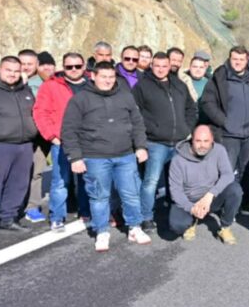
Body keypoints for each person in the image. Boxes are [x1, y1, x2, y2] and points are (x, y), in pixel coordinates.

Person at [61, 61, 150, 252]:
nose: (108, 81)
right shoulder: (81, 99)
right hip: (95, 157)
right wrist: (75, 157)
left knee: (131, 194)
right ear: (93, 76)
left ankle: (135, 227)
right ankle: (101, 231)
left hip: (125, 155)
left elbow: (137, 123)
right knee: (99, 197)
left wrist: (141, 146)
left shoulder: (125, 96)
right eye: (103, 77)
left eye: (111, 77)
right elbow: (69, 130)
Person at [199, 46, 249, 218]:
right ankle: (220, 204)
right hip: (228, 134)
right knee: (226, 170)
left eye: (241, 59)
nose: (238, 62)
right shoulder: (220, 76)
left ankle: (246, 203)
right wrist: (223, 121)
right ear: (229, 59)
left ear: (247, 60)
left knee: (247, 169)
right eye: (234, 59)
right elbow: (207, 101)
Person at [132, 52, 198, 232]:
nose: (161, 69)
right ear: (152, 66)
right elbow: (134, 114)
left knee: (179, 180)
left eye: (164, 66)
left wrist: (187, 128)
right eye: (157, 66)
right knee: (151, 181)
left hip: (179, 142)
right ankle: (146, 217)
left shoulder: (179, 85)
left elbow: (191, 108)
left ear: (170, 67)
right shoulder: (142, 86)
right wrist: (149, 130)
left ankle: (178, 212)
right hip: (156, 142)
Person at [0, 56, 39, 245]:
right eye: (8, 70)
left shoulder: (25, 91)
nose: (12, 74)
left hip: (23, 145)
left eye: (16, 71)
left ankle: (8, 219)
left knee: (18, 184)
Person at [33, 52, 91, 231]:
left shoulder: (92, 83)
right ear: (63, 67)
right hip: (63, 141)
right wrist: (52, 136)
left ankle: (86, 212)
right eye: (69, 66)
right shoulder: (51, 85)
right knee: (60, 181)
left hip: (89, 141)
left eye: (77, 66)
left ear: (84, 66)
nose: (73, 69)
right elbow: (40, 112)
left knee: (87, 179)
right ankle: (57, 217)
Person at [167, 125, 242, 245]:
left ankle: (225, 227)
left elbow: (228, 175)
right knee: (177, 226)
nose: (202, 145)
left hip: (211, 198)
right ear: (192, 140)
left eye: (206, 141)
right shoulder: (178, 160)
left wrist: (210, 195)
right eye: (198, 141)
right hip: (189, 199)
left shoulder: (219, 150)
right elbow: (175, 191)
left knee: (235, 190)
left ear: (212, 140)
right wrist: (192, 208)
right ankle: (192, 221)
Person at [18, 48, 49, 223]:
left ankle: (32, 206)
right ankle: (13, 206)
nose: (26, 67)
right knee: (15, 173)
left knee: (36, 171)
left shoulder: (44, 84)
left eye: (30, 64)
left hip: (38, 136)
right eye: (22, 63)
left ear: (37, 65)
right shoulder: (7, 81)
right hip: (14, 137)